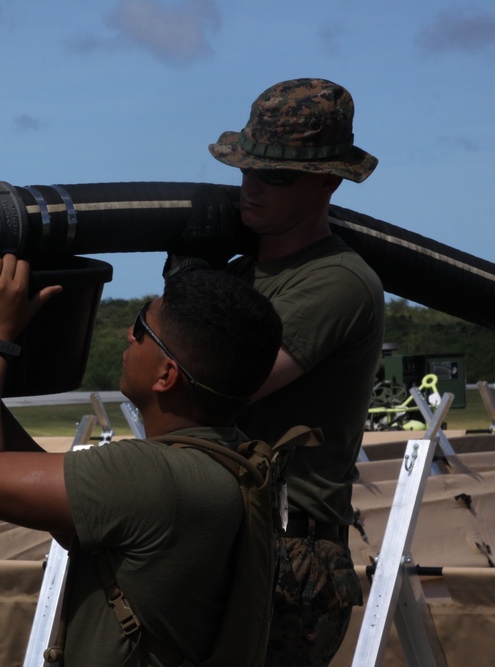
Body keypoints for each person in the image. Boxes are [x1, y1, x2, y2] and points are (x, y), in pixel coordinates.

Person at [0, 256, 283, 665]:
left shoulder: (151, 476)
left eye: (141, 327)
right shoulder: (229, 456)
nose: (128, 334)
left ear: (166, 374)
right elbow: (68, 512)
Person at [206, 78, 386, 665]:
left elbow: (217, 385)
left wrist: (187, 299)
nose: (252, 185)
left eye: (276, 174)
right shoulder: (240, 276)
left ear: (327, 181)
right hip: (219, 533)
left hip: (286, 553)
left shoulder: (335, 281)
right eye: (247, 168)